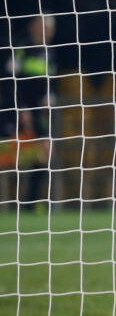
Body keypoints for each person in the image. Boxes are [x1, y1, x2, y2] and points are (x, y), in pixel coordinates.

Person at [5, 14, 57, 209]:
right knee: (12, 155)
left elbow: (48, 82)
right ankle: (18, 201)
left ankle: (31, 202)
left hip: (39, 112)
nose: (48, 31)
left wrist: (49, 96)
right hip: (18, 110)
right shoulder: (21, 49)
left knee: (46, 152)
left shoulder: (49, 52)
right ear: (33, 27)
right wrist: (20, 107)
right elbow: (10, 81)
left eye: (50, 28)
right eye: (44, 26)